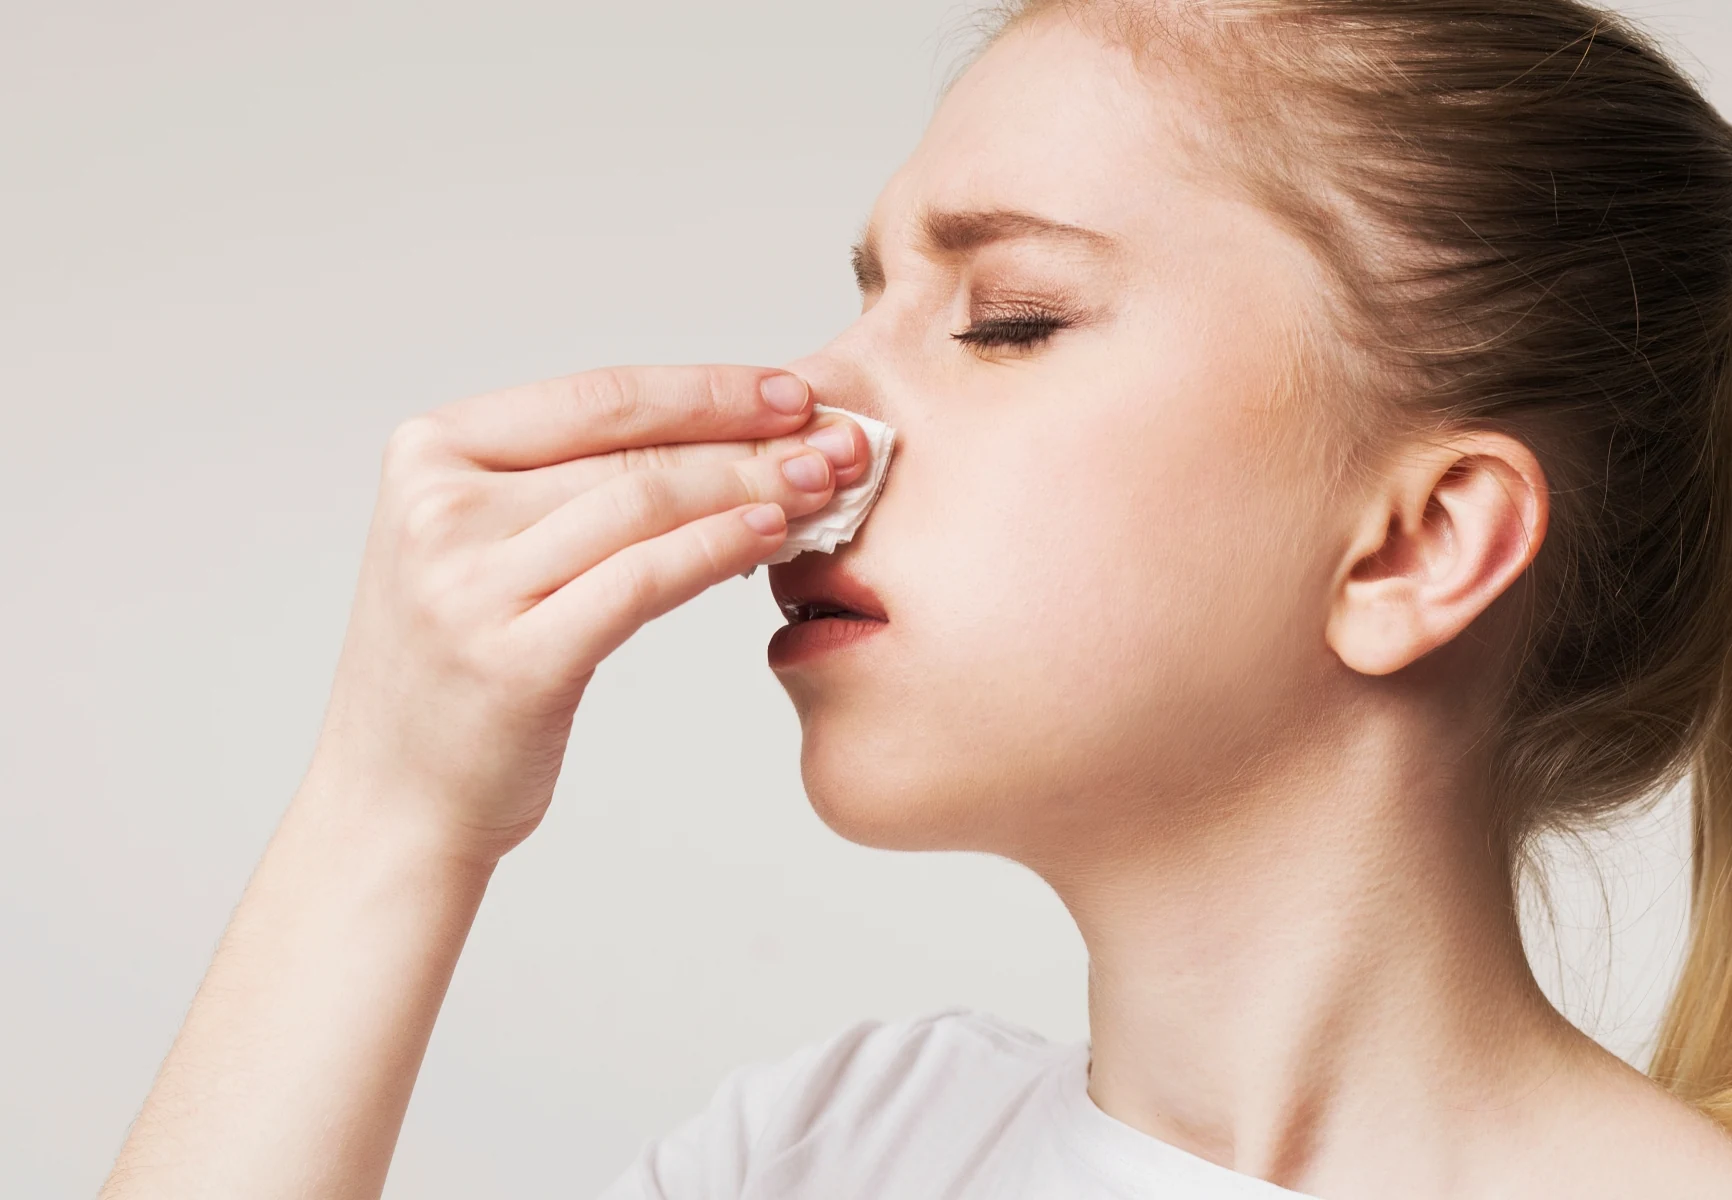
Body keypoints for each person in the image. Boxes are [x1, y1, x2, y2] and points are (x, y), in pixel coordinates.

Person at [98, 0, 1732, 1196]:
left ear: (1417, 543)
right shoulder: (831, 1155)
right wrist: (393, 809)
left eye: (1008, 318)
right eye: (863, 300)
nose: (816, 407)